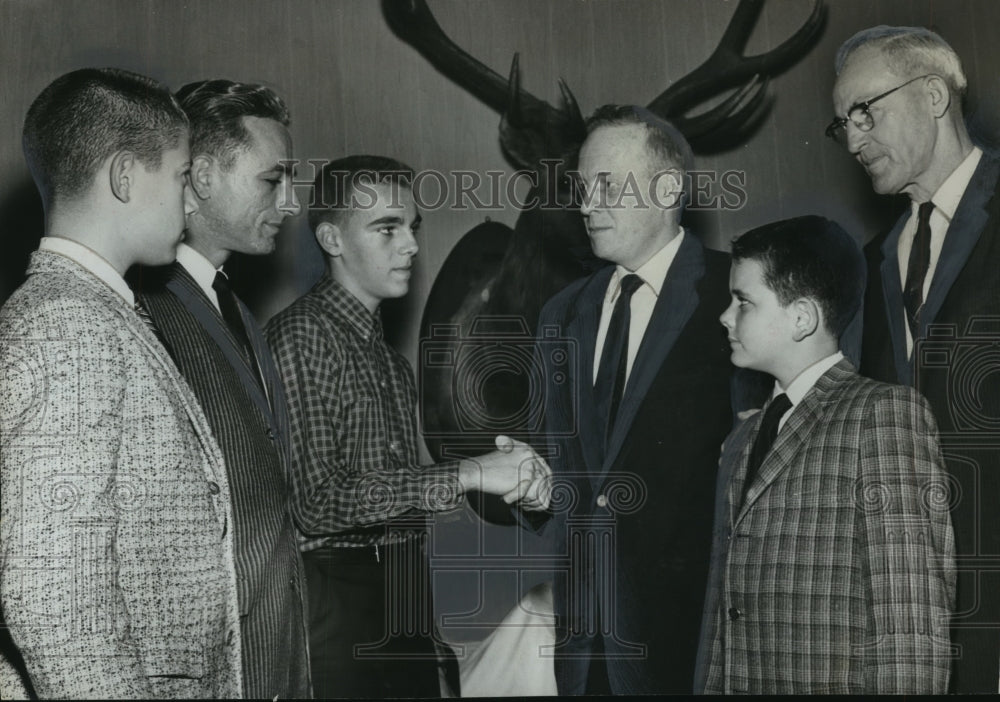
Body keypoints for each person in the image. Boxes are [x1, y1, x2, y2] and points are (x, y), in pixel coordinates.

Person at [265, 155, 550, 698]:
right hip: (336, 601)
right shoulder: (302, 337)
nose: (412, 246)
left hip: (401, 594)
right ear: (332, 239)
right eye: (386, 228)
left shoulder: (390, 362)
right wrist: (467, 473)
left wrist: (508, 483)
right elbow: (318, 502)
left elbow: (397, 504)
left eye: (412, 227)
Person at [0, 67, 242, 698]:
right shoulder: (66, 326)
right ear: (125, 177)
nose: (192, 201)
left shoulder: (97, 311)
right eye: (183, 175)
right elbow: (56, 602)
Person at [533, 104, 752, 694]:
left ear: (668, 187)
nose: (585, 205)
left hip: (698, 645)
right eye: (582, 188)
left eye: (606, 185)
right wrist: (528, 481)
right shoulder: (561, 315)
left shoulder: (737, 297)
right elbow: (561, 475)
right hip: (588, 652)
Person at [696, 215, 955, 693]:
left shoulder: (882, 414)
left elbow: (911, 622)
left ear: (801, 318)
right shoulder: (744, 438)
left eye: (744, 302)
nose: (725, 316)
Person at [831, 26, 1000, 693]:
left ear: (933, 94)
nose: (852, 139)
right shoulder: (872, 264)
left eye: (865, 111)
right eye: (841, 123)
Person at [136, 80, 310, 698]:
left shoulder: (234, 306)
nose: (290, 203)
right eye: (272, 180)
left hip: (273, 654)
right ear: (203, 176)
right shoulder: (142, 309)